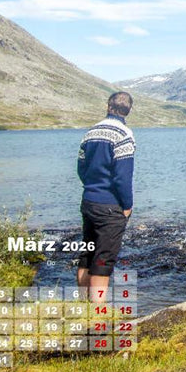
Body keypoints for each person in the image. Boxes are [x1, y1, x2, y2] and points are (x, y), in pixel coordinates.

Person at [76, 91, 136, 304]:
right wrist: (127, 205)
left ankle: (82, 305)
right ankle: (96, 312)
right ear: (128, 110)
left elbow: (81, 167)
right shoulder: (124, 134)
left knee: (87, 254)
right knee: (103, 260)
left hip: (89, 201)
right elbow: (122, 177)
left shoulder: (91, 132)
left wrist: (91, 186)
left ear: (108, 106)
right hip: (110, 206)